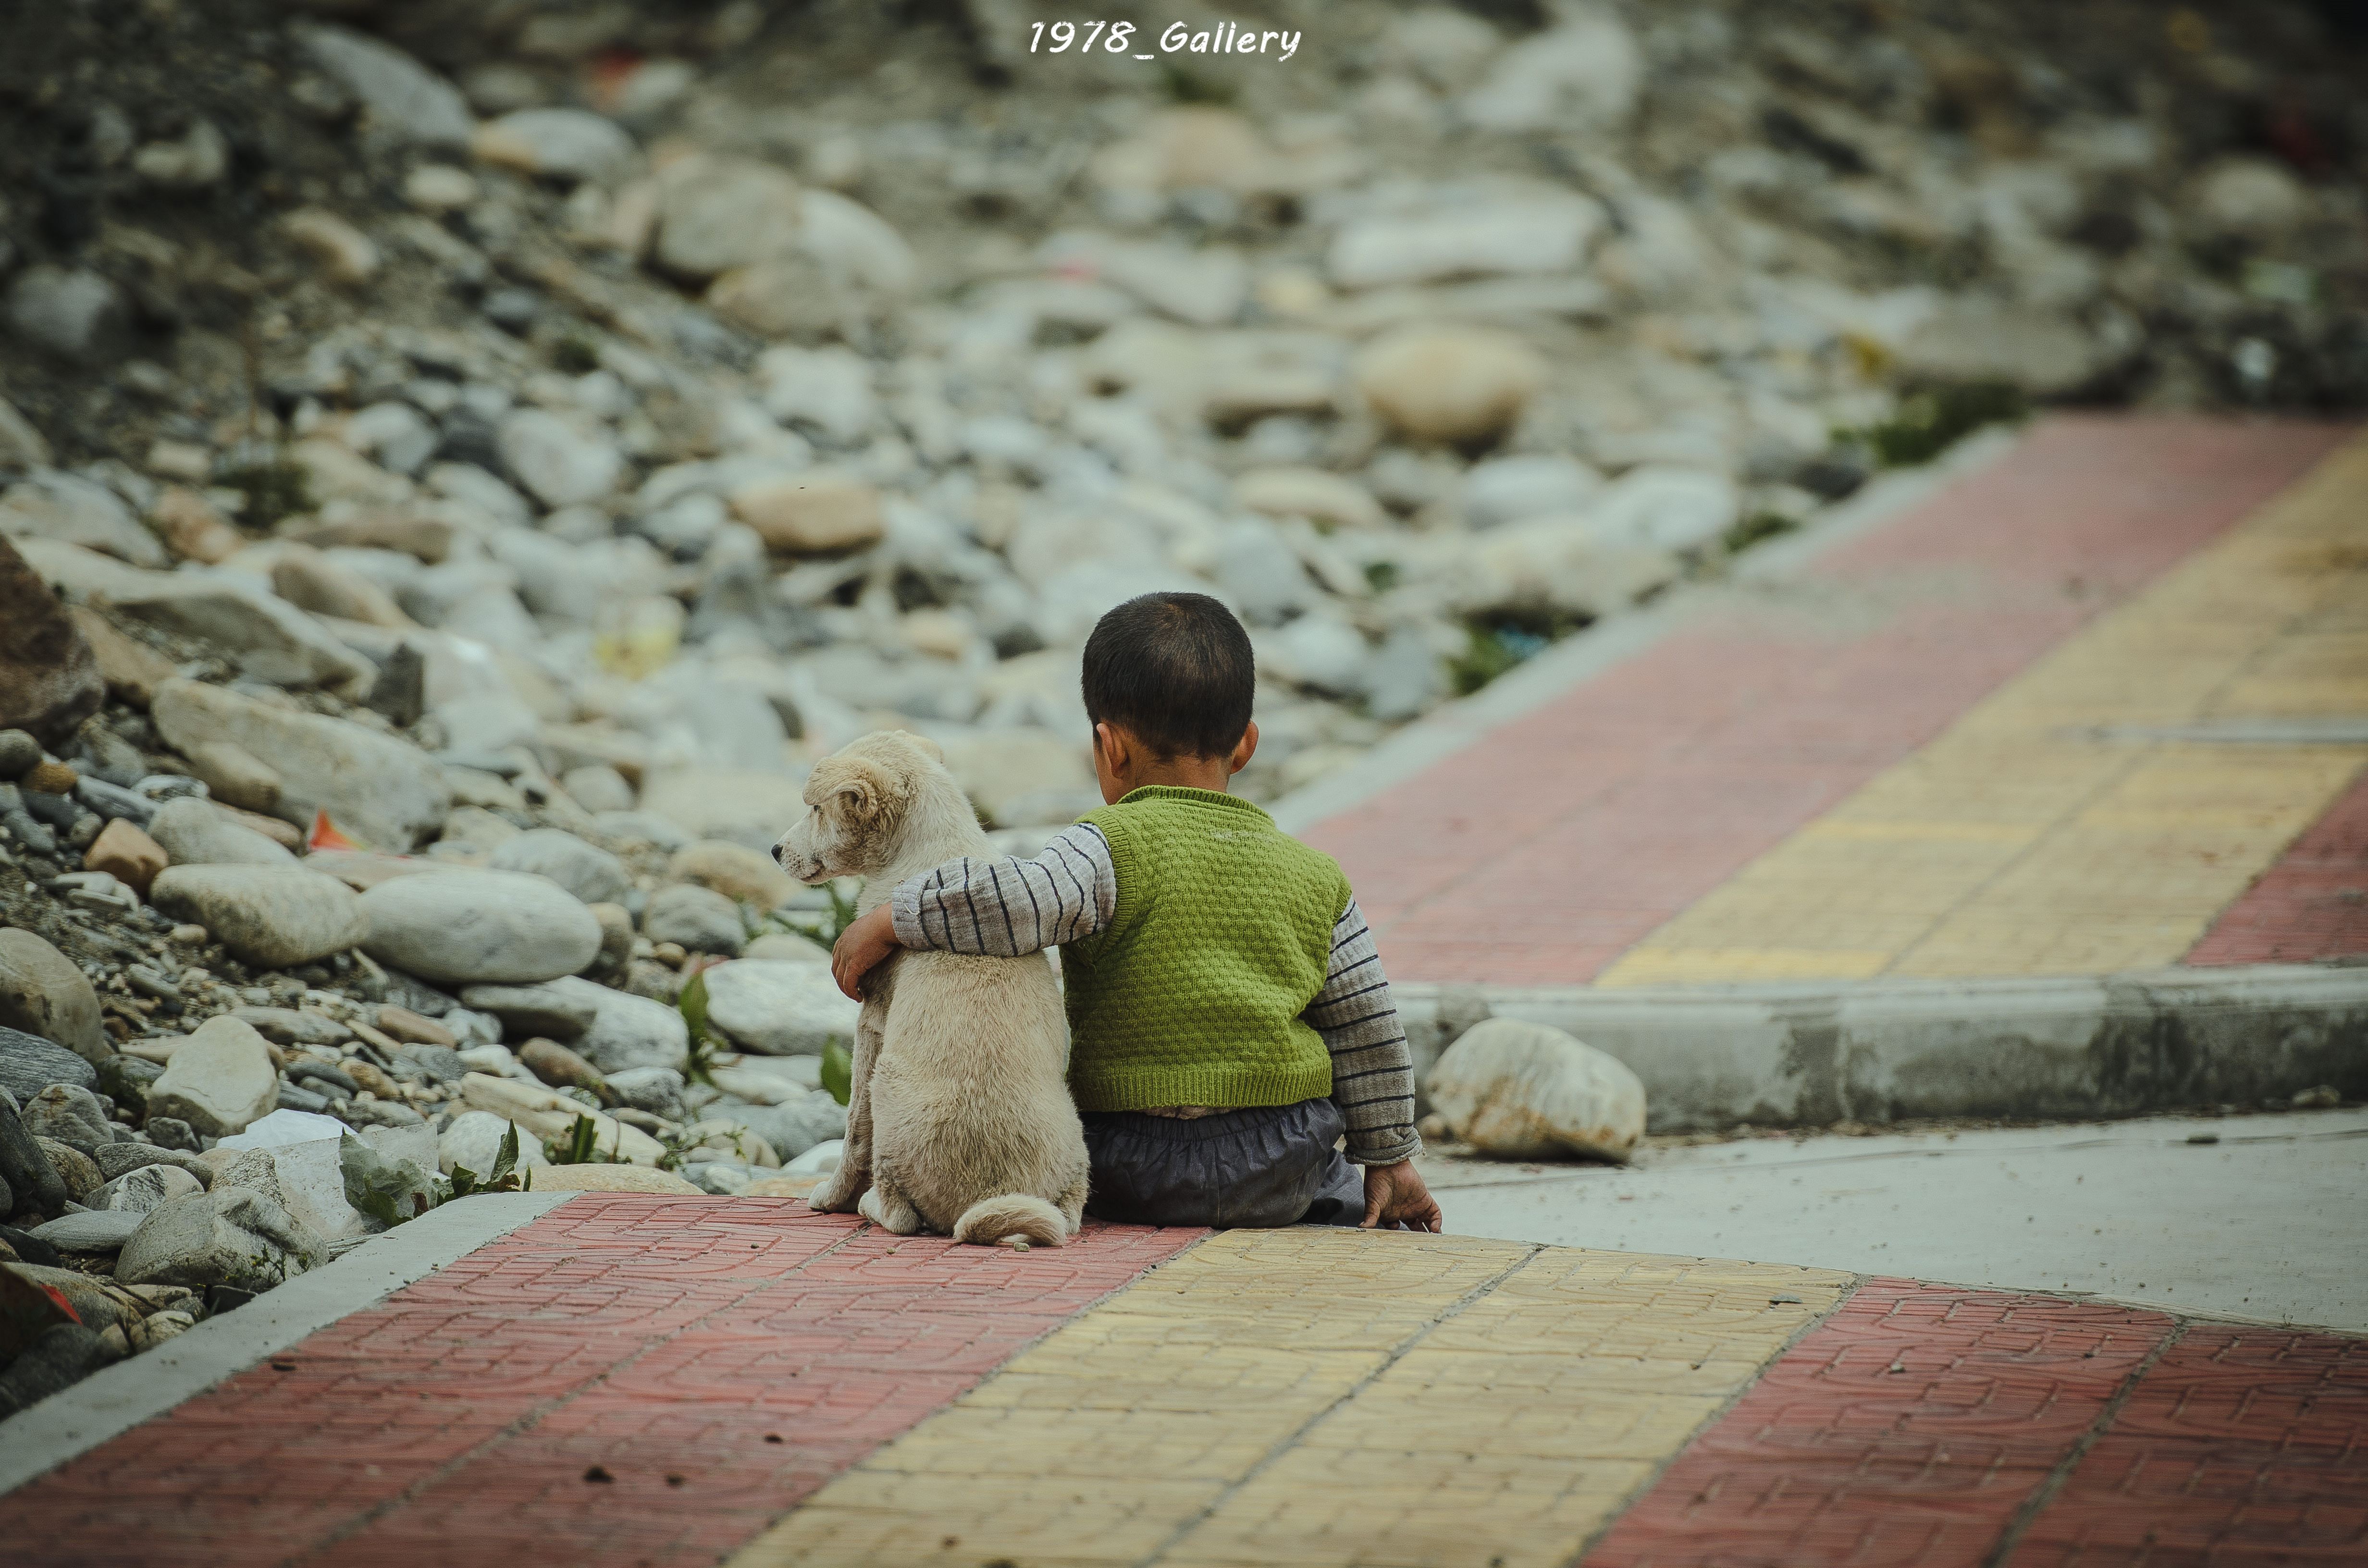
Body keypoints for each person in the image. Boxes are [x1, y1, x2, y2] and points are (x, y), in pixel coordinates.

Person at [830, 590, 1443, 1233]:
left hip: (1128, 1163)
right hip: (1280, 1161)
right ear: (1246, 746)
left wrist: (893, 919)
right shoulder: (1319, 877)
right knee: (1334, 1179)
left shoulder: (1105, 848)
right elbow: (1368, 1026)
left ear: (1109, 747)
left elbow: (1012, 902)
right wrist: (1390, 1157)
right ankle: (1341, 1205)